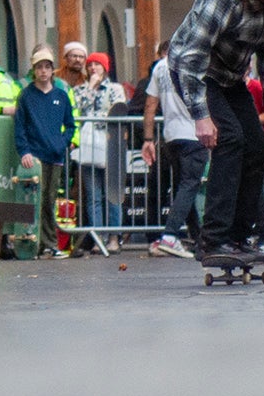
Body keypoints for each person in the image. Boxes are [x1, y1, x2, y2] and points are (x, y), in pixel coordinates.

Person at [166, 0, 264, 265]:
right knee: (231, 139)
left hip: (230, 77)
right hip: (195, 71)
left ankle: (238, 238)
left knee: (257, 146)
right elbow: (193, 56)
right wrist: (200, 115)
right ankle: (212, 240)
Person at [15, 47, 76, 258]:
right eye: (39, 67)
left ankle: (50, 244)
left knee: (50, 201)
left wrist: (63, 143)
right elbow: (20, 126)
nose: (43, 71)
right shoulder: (25, 96)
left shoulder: (61, 95)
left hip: (55, 155)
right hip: (35, 156)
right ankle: (37, 244)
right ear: (34, 70)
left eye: (47, 67)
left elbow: (70, 125)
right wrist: (24, 151)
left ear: (52, 71)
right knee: (36, 201)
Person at [141, 44, 201, 258]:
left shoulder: (160, 66)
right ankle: (170, 235)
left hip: (171, 135)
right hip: (195, 132)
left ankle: (200, 239)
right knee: (189, 185)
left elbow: (150, 105)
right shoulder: (196, 61)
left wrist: (147, 139)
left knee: (183, 187)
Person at [72, 51, 129, 251]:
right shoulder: (80, 90)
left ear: (105, 68)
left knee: (112, 193)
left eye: (97, 65)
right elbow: (79, 109)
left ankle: (114, 237)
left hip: (109, 143)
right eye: (90, 65)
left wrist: (99, 118)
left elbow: (118, 110)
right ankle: (98, 236)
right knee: (93, 194)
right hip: (88, 145)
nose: (93, 68)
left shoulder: (115, 88)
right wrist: (90, 88)